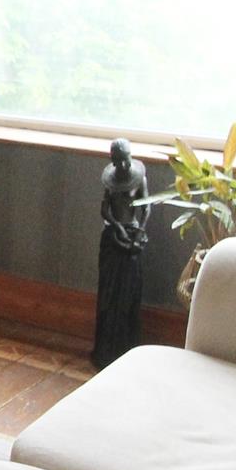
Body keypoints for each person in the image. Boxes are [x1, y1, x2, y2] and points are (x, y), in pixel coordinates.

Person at [94, 139, 150, 369]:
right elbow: (104, 209)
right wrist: (117, 227)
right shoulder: (111, 180)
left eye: (125, 160)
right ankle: (105, 350)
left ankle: (126, 349)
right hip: (113, 238)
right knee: (109, 292)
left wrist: (139, 231)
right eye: (118, 162)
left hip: (133, 236)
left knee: (128, 292)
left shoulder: (139, 178)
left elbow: (146, 207)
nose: (123, 166)